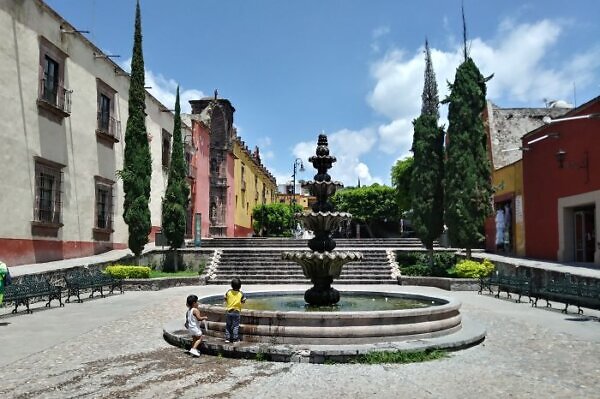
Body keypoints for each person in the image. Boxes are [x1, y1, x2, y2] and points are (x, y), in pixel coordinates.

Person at [224, 278, 246, 343]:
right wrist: (243, 301)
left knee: (228, 325)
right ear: (240, 286)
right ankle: (235, 338)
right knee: (235, 326)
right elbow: (243, 301)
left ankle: (227, 338)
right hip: (236, 312)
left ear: (231, 285)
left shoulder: (228, 292)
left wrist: (228, 300)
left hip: (229, 311)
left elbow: (225, 297)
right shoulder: (241, 293)